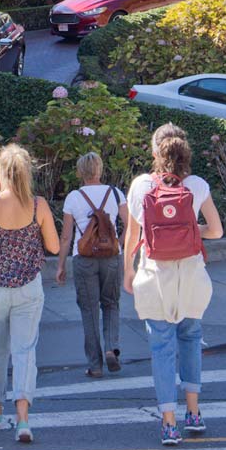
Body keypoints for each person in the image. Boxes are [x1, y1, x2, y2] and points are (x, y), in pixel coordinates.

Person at [123, 124, 224, 446]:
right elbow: (217, 231)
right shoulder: (196, 186)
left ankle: (169, 423)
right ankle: (194, 413)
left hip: (155, 275)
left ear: (155, 152)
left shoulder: (140, 186)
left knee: (162, 346)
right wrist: (191, 230)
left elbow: (133, 235)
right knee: (191, 338)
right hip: (191, 274)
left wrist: (128, 270)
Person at [0, 144, 60, 444]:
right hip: (28, 286)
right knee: (25, 351)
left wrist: (0, 184)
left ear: (1, 172)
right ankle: (23, 419)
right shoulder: (39, 206)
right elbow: (53, 247)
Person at [56, 152, 128, 377]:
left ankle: (95, 365)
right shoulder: (115, 194)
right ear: (100, 169)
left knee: (89, 310)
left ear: (80, 172)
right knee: (111, 304)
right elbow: (131, 224)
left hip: (84, 258)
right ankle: (111, 348)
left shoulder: (73, 198)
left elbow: (66, 237)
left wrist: (60, 266)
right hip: (111, 258)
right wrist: (119, 244)